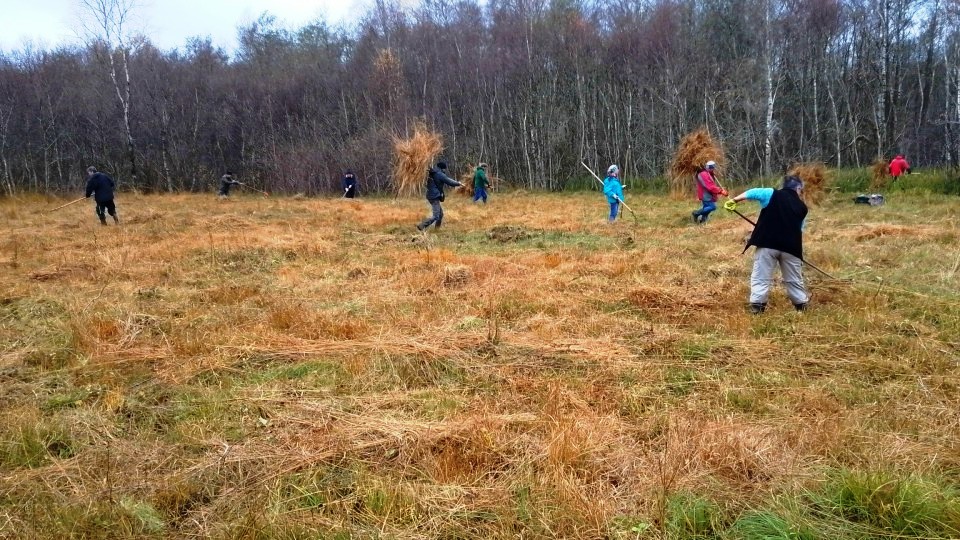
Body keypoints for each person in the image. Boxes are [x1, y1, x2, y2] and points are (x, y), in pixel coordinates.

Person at [727, 176, 809, 314]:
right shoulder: (802, 207)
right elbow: (799, 229)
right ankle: (801, 306)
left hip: (767, 244)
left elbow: (752, 192)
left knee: (761, 276)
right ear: (798, 188)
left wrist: (733, 201)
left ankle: (757, 308)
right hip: (791, 248)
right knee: (794, 279)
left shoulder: (771, 193)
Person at [417, 161, 463, 231]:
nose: (445, 170)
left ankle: (436, 229)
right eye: (445, 169)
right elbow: (449, 181)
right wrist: (458, 183)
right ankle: (422, 225)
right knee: (436, 216)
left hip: (431, 195)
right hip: (434, 196)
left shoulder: (433, 172)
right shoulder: (439, 174)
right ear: (442, 168)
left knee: (440, 215)